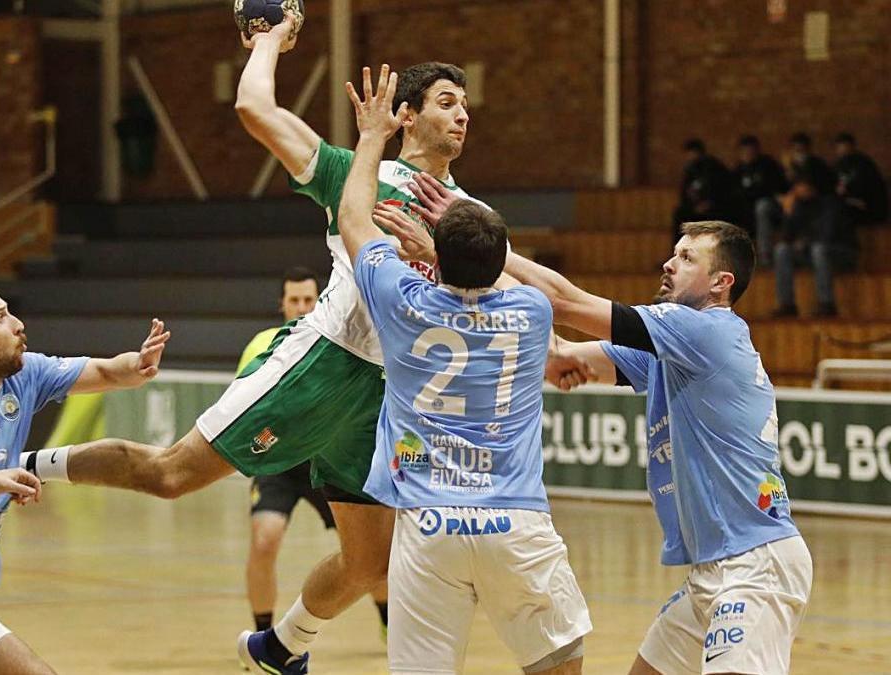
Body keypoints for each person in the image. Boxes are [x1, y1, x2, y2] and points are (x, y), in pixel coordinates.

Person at [18, 19, 496, 674]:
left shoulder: (469, 214)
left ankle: (278, 646)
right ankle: (19, 459)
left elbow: (507, 291)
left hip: (388, 396)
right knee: (169, 476)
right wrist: (269, 39)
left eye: (466, 104)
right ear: (406, 115)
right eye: (447, 101)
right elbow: (254, 109)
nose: (462, 114)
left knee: (370, 563)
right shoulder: (355, 172)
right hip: (325, 364)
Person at [385, 188, 813, 675]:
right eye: (673, 253)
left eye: (687, 258)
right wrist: (462, 271)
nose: (669, 264)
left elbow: (566, 303)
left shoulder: (706, 330)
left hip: (755, 564)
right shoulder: (670, 355)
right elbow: (562, 358)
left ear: (721, 283)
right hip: (711, 573)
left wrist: (490, 251)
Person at [338, 64, 591, 675]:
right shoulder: (531, 313)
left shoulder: (401, 303)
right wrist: (446, 245)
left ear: (433, 257)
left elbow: (352, 218)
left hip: (429, 525)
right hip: (516, 521)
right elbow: (541, 288)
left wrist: (371, 138)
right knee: (560, 662)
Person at [0, 272, 169, 675]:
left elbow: (109, 372)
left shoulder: (24, 377)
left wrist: (138, 363)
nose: (18, 324)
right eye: (1, 317)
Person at [238, 267, 390, 638]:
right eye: (294, 300)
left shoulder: (341, 340)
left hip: (330, 461)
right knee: (265, 537)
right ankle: (264, 633)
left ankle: (389, 623)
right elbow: (245, 405)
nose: (302, 307)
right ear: (282, 305)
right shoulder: (263, 344)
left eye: (309, 299)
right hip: (281, 463)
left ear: (320, 299)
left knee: (367, 553)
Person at [774, 132, 852, 317]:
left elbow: (827, 235)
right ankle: (787, 304)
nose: (798, 190)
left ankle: (827, 303)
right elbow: (787, 235)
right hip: (812, 251)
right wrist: (788, 214)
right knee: (782, 250)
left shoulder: (829, 204)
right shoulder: (799, 205)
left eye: (801, 186)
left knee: (819, 249)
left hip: (841, 252)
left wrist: (805, 242)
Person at [732, 135, 788, 266]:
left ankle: (765, 255)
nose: (747, 155)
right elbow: (733, 194)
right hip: (746, 210)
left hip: (770, 208)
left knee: (761, 207)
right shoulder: (738, 171)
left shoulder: (768, 165)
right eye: (744, 152)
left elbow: (777, 189)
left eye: (750, 151)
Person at [672, 139, 736, 248]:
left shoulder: (715, 167)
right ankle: (679, 249)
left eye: (693, 153)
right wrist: (693, 207)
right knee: (680, 213)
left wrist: (710, 203)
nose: (690, 157)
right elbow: (685, 194)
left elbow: (724, 190)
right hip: (695, 208)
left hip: (715, 207)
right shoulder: (690, 170)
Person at [832, 132, 888, 227]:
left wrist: (851, 198)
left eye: (846, 149)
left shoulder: (864, 164)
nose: (843, 152)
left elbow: (872, 190)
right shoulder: (838, 165)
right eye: (840, 149)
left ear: (852, 147)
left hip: (867, 207)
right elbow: (835, 185)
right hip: (848, 204)